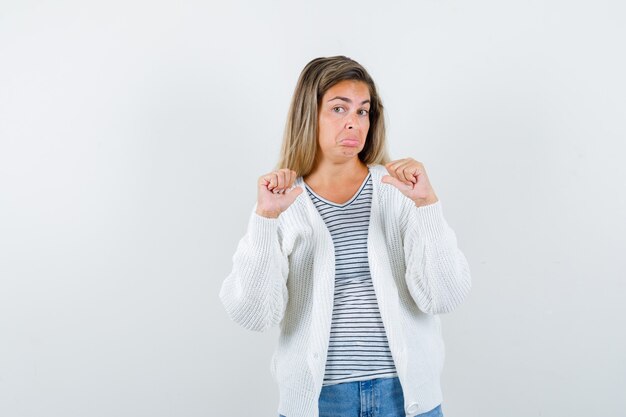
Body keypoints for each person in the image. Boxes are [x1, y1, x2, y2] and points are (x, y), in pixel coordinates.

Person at [219, 56, 471, 417]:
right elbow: (253, 314)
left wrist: (427, 206)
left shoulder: (398, 192)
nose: (354, 122)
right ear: (310, 115)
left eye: (363, 111)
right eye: (339, 109)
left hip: (406, 398)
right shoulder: (282, 202)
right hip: (320, 403)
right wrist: (265, 220)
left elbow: (444, 296)